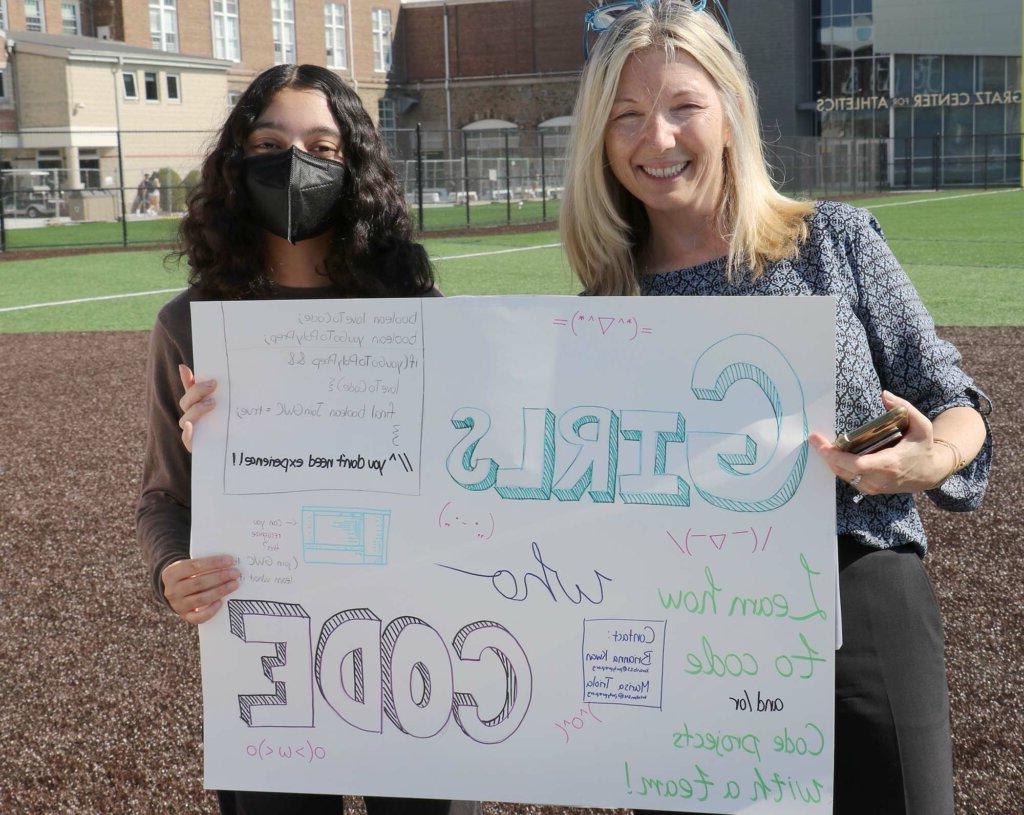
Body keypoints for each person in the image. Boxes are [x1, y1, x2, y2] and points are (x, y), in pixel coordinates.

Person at [561, 3, 991, 815]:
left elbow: (952, 399)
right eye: (626, 116)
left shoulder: (835, 240)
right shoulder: (601, 309)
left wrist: (936, 456)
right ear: (599, 137)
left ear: (730, 111)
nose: (657, 139)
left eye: (684, 105)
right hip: (687, 625)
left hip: (862, 594)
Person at [136, 63, 449, 815]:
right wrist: (172, 569)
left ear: (355, 166)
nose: (295, 163)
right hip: (268, 658)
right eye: (270, 143)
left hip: (419, 642)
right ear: (237, 164)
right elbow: (160, 496)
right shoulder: (190, 325)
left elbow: (475, 463)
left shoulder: (420, 311)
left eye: (321, 145)